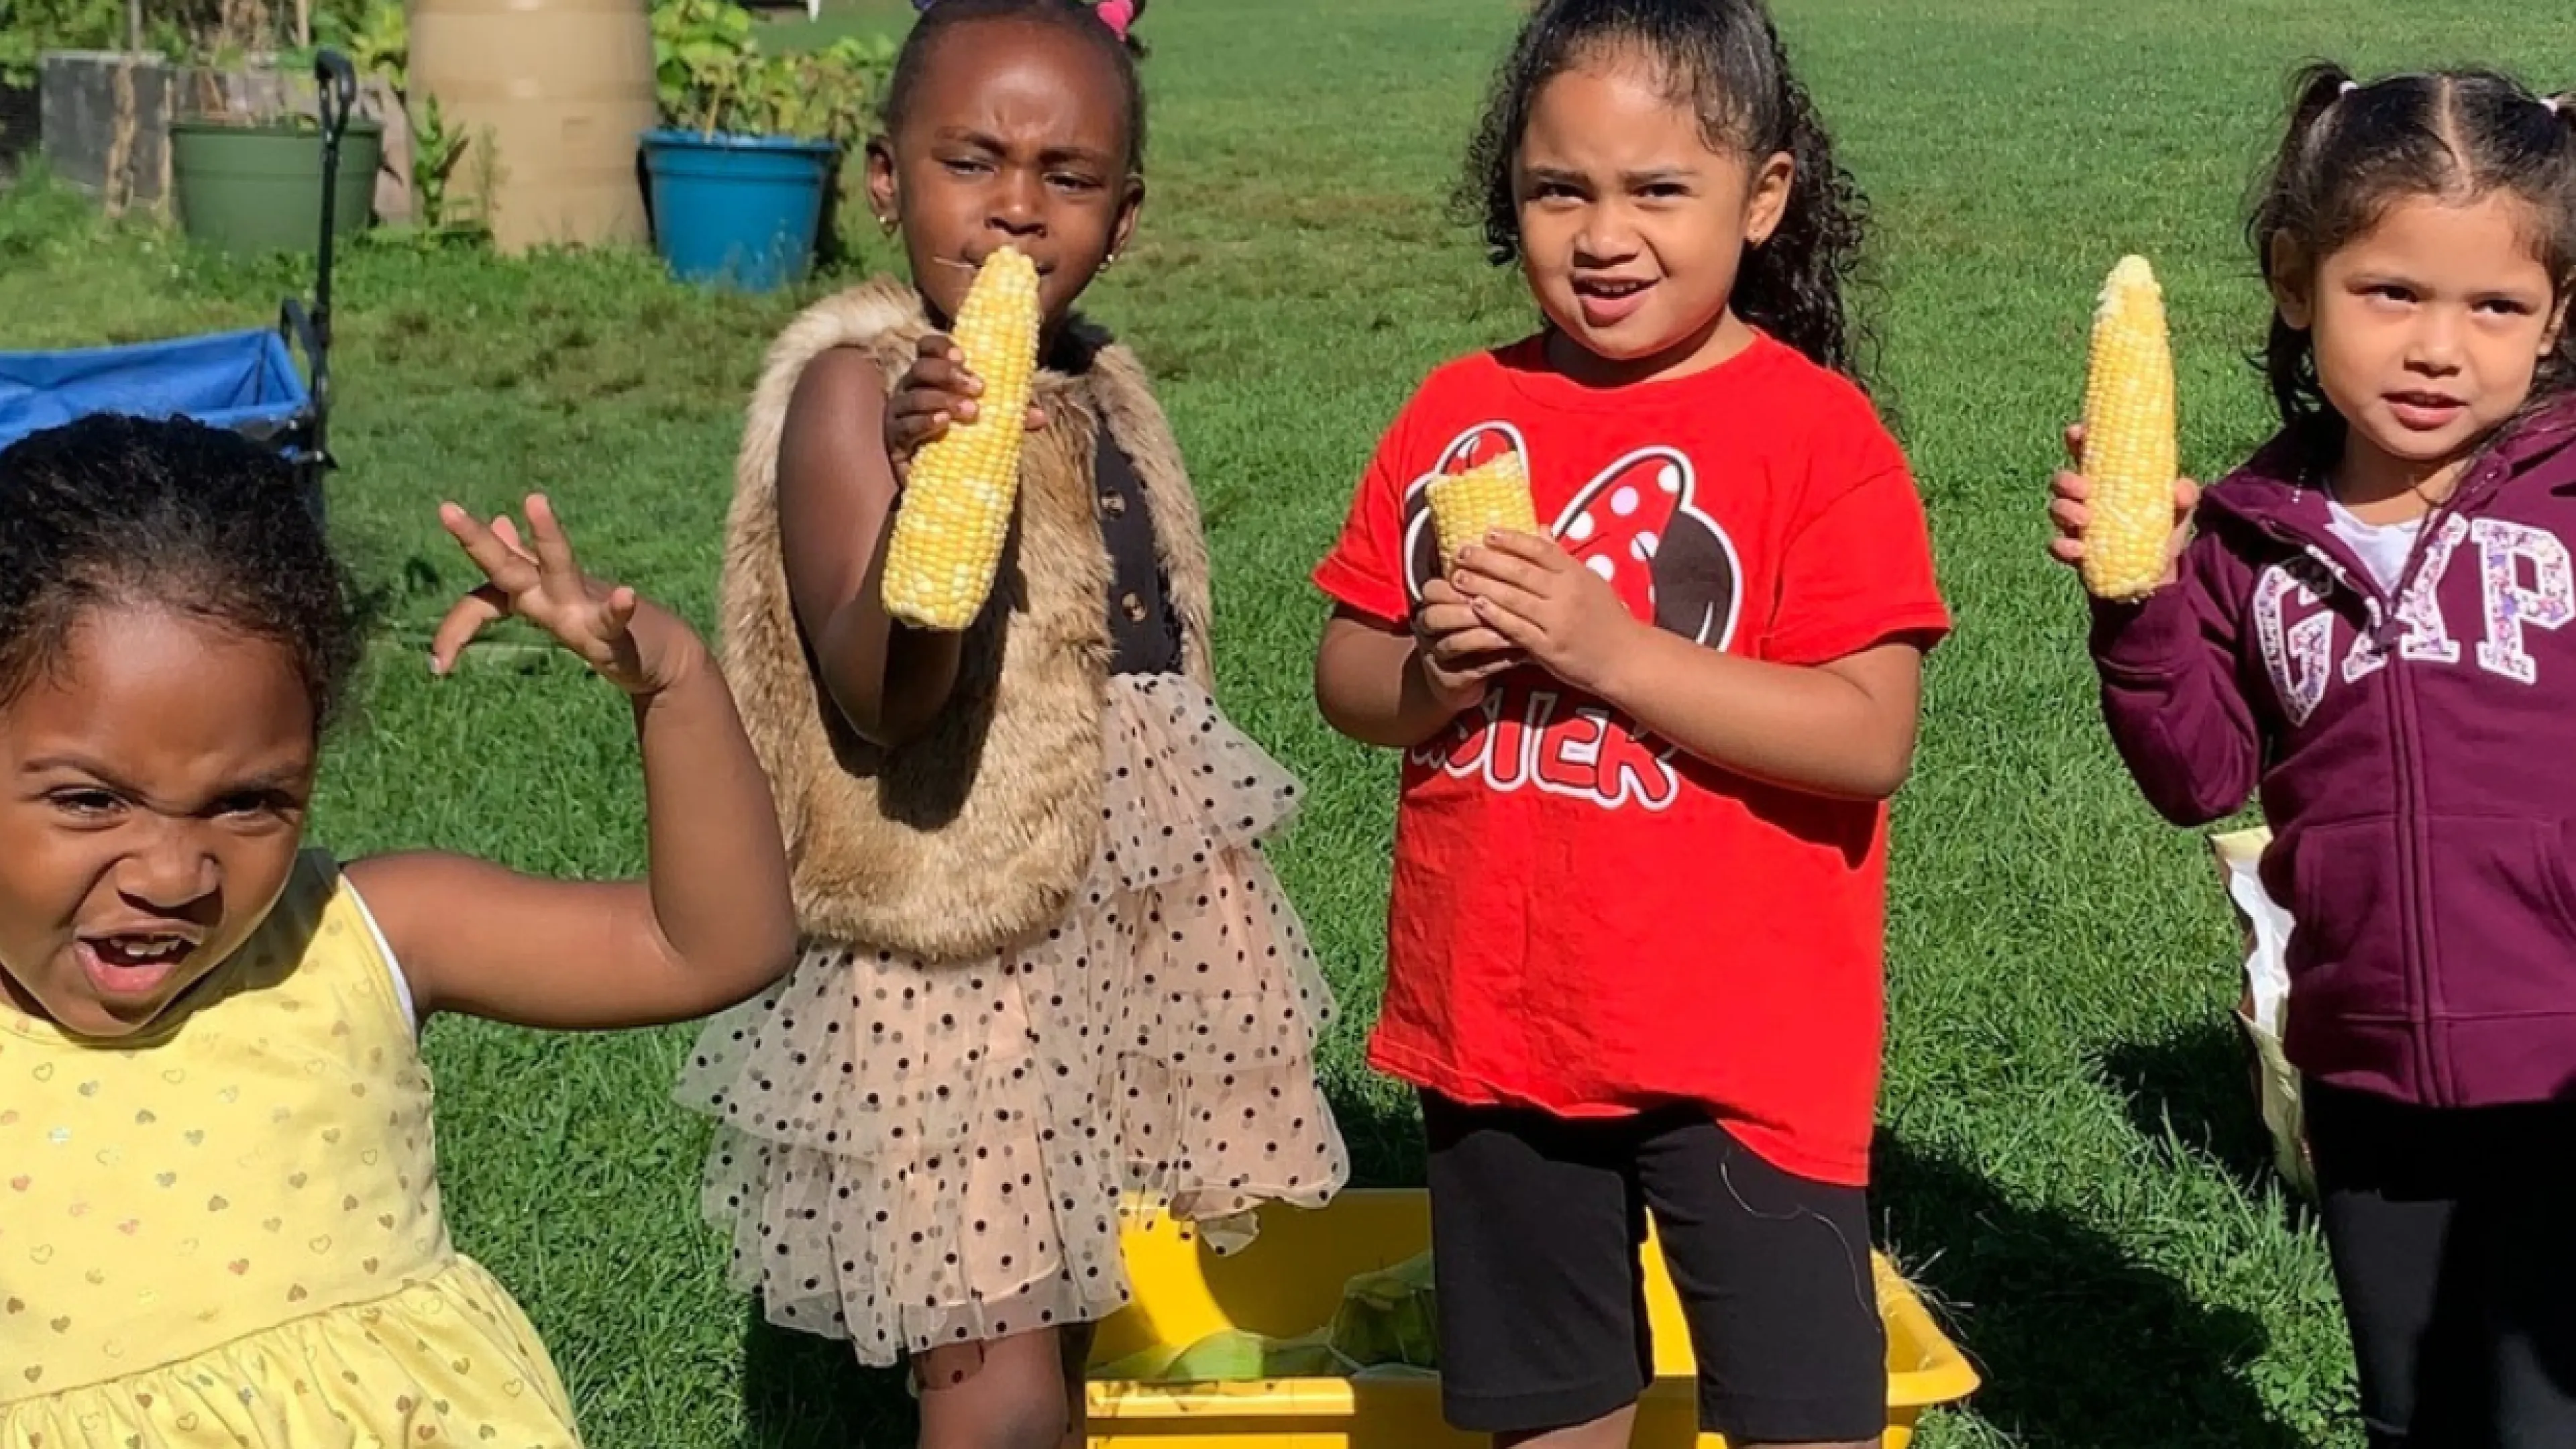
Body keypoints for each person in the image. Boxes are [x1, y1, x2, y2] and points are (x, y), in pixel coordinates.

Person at [672, 2, 1347, 1444]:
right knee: (994, 1357)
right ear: (882, 178)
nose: (1018, 213)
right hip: (958, 937)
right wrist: (931, 503)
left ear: (1130, 210)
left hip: (1123, 907)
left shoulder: (1098, 381)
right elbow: (877, 689)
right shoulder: (854, 396)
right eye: (971, 162)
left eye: (1071, 176)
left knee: (1092, 1277)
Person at [1308, 0, 1950, 1444]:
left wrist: (1611, 649)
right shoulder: (1459, 412)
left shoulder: (1818, 436)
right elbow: (1347, 676)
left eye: (1661, 191)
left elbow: (1867, 733)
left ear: (1763, 199)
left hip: (1747, 1050)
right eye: (1561, 190)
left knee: (1803, 1415)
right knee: (1551, 1411)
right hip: (1500, 1028)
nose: (1605, 237)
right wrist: (1434, 676)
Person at [0, 412, 798, 1446]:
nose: (173, 875)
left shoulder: (356, 937)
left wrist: (673, 680)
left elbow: (717, 945)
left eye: (249, 802)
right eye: (91, 802)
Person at [2051, 62, 2576, 1449]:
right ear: (2297, 280)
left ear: (2556, 320)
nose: (2438, 348)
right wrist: (2137, 602)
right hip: (2365, 1071)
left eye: (2496, 306)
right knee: (2414, 1419)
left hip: (2565, 1072)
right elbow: (2196, 775)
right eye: (2390, 292)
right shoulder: (2242, 532)